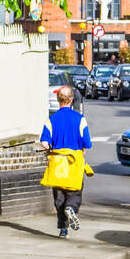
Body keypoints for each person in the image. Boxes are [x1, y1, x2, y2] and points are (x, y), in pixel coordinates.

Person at [40, 85, 93, 238]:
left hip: (57, 163)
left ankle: (63, 230)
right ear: (71, 100)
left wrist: (49, 147)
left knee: (59, 198)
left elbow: (44, 142)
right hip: (74, 163)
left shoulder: (51, 120)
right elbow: (87, 143)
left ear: (58, 100)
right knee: (74, 194)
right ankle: (71, 208)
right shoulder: (80, 119)